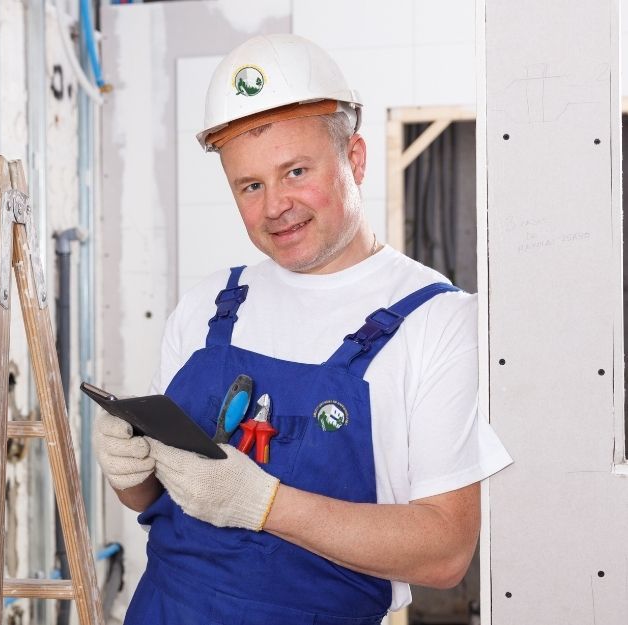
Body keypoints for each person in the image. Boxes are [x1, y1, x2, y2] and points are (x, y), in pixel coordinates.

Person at [94, 33, 512, 625]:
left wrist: (265, 504)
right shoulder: (206, 306)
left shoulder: (439, 321)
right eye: (250, 185)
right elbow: (163, 499)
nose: (274, 207)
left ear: (356, 159)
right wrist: (130, 475)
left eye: (295, 171)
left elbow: (445, 551)